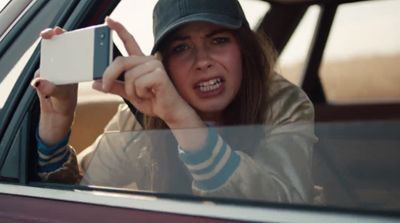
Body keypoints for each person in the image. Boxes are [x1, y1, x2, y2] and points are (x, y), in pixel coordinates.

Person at [32, 0, 317, 203]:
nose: (203, 61)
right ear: (164, 64)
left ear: (243, 49)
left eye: (218, 40)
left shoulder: (283, 103)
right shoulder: (140, 115)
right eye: (181, 48)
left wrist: (182, 121)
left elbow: (286, 202)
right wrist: (55, 131)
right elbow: (76, 194)